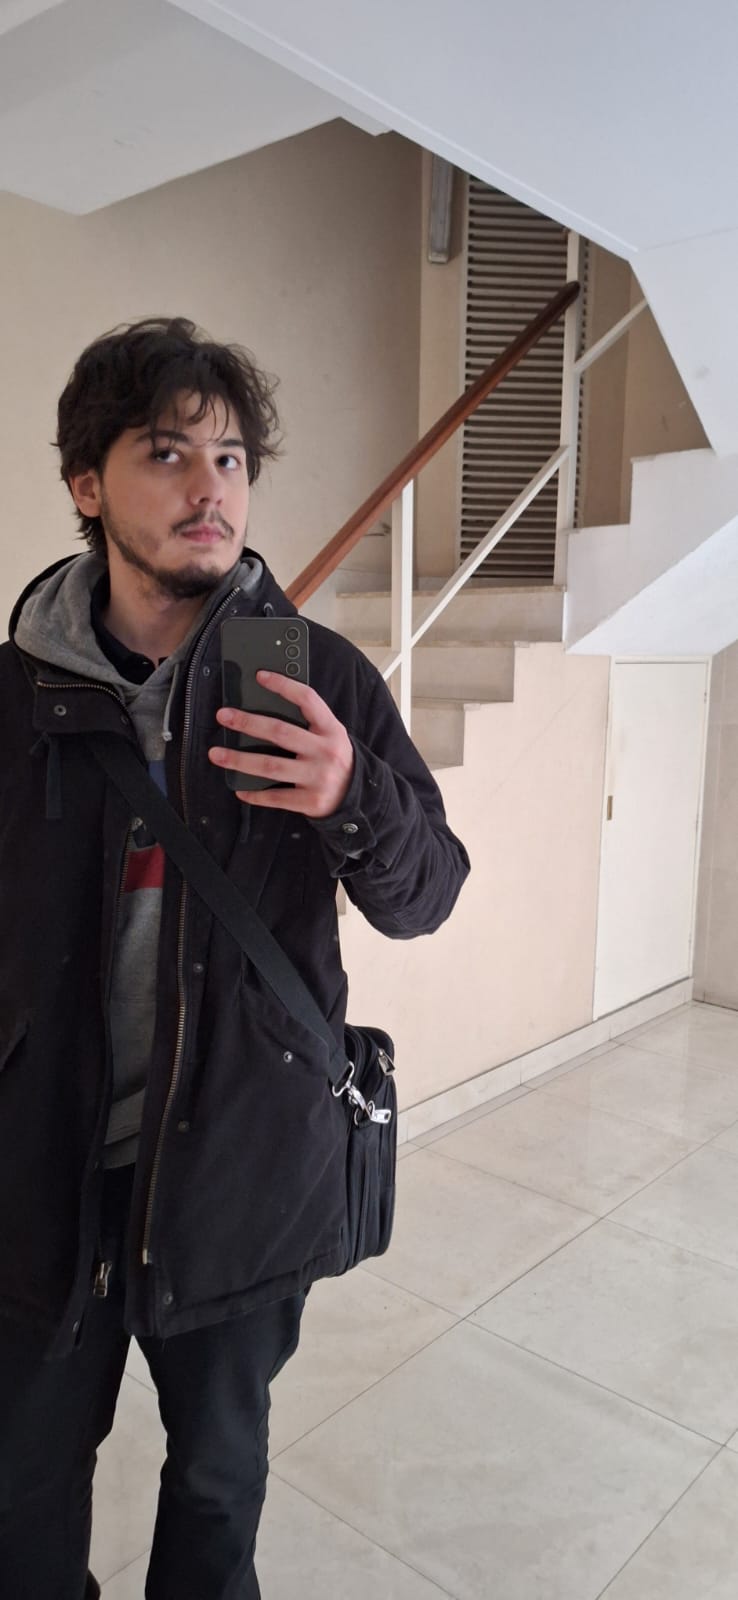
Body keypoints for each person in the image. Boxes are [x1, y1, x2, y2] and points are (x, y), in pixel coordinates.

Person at [0, 316, 470, 1599]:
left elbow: (428, 894)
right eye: (167, 452)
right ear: (87, 484)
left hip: (242, 1168)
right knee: (24, 1494)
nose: (210, 486)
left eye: (231, 458)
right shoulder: (19, 695)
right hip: (41, 1173)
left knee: (216, 1485)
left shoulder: (316, 679)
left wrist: (351, 797)